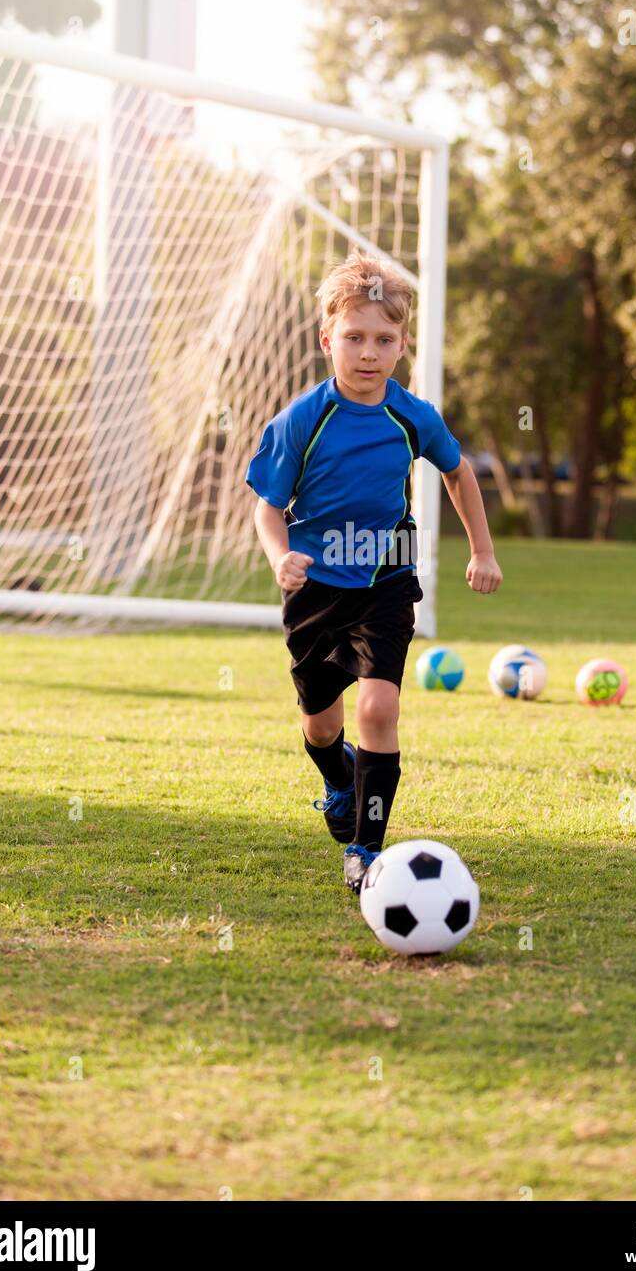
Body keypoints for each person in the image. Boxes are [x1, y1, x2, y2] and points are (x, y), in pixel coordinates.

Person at [246, 251, 502, 893]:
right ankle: (338, 778)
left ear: (402, 345)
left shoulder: (413, 415)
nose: (368, 353)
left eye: (383, 340)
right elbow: (268, 507)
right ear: (327, 339)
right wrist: (283, 560)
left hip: (386, 580)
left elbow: (457, 471)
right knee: (320, 724)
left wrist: (482, 550)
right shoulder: (302, 419)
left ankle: (364, 850)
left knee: (379, 708)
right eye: (354, 338)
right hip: (317, 591)